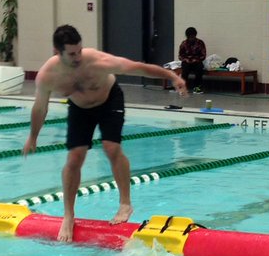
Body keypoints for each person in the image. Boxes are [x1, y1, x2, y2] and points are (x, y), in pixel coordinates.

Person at [23, 25, 187, 241]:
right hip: (80, 108)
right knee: (74, 158)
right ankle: (68, 215)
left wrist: (172, 76)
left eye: (79, 51)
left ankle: (125, 203)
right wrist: (33, 136)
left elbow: (138, 68)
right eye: (71, 54)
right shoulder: (47, 76)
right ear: (57, 52)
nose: (78, 57)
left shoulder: (97, 62)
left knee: (111, 147)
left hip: (109, 100)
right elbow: (40, 108)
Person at [178, 26, 207, 93]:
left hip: (197, 61)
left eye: (193, 36)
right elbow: (180, 55)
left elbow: (203, 55)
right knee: (185, 70)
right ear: (187, 36)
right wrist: (186, 59)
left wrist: (196, 60)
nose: (191, 38)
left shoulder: (200, 43)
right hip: (187, 61)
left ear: (195, 35)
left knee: (199, 68)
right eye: (190, 37)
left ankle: (197, 87)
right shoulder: (184, 44)